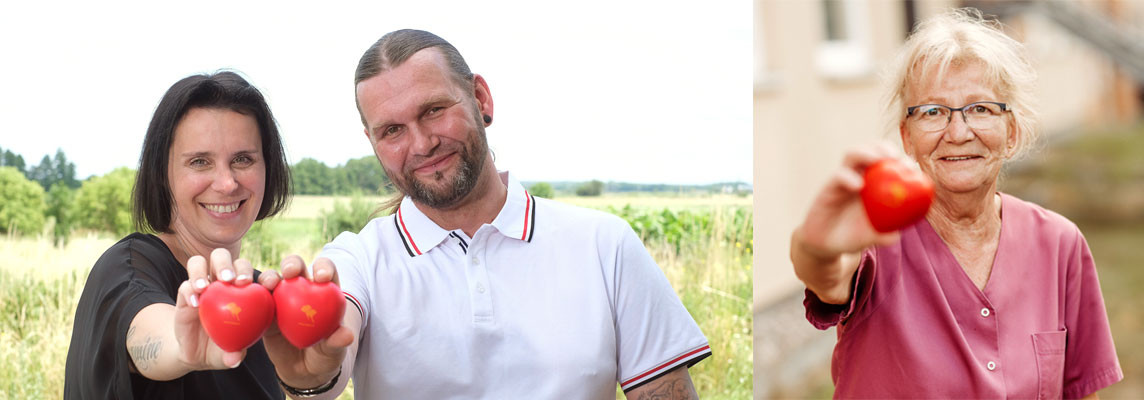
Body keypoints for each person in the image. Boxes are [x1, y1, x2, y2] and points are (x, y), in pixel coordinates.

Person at [277, 29, 712, 399]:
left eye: (433, 110)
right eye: (392, 130)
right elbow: (327, 355)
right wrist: (309, 371)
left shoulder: (605, 244)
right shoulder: (357, 260)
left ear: (480, 98)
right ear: (372, 142)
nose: (422, 143)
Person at [790, 9, 1121, 399]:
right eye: (933, 112)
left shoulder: (1060, 243)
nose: (958, 132)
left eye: (980, 109)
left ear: (1011, 132)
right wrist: (815, 246)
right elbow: (828, 276)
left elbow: (1080, 392)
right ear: (907, 137)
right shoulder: (877, 237)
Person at [64, 71, 295, 399]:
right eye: (200, 162)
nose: (227, 183)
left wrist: (308, 378)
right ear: (162, 175)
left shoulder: (260, 298)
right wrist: (183, 347)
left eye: (243, 159)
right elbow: (149, 334)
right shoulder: (126, 268)